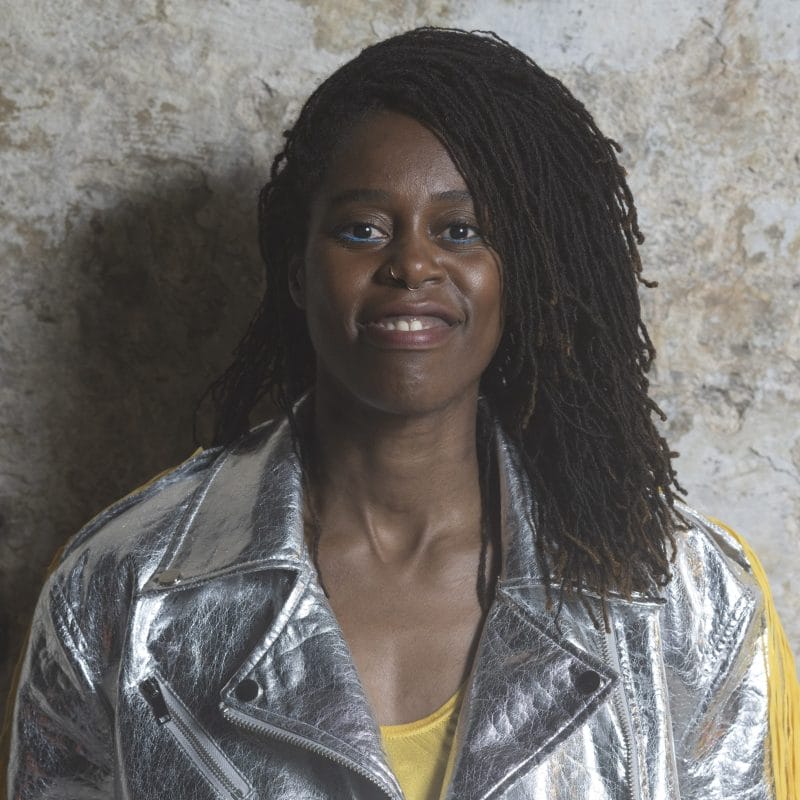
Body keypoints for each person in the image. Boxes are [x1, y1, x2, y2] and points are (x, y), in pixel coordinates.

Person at [4, 26, 797, 800]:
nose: (412, 264)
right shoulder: (116, 588)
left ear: (520, 278)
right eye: (362, 229)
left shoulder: (687, 598)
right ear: (295, 273)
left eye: (461, 231)